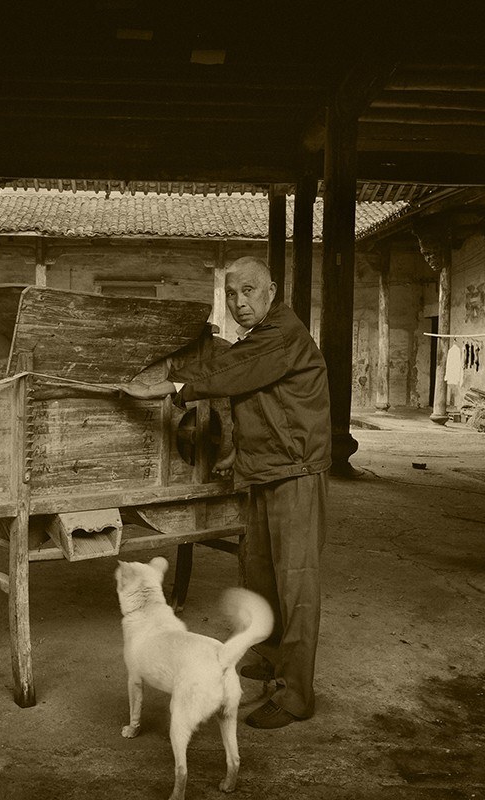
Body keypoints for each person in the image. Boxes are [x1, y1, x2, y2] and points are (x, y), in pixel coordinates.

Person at [121, 256, 331, 729]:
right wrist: (236, 451)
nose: (239, 303)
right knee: (262, 572)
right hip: (264, 469)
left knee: (297, 585)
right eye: (231, 294)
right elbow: (257, 397)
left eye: (249, 291)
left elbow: (234, 371)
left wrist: (169, 385)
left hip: (296, 473)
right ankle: (273, 659)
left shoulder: (282, 335)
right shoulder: (259, 339)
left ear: (271, 291)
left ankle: (296, 696)